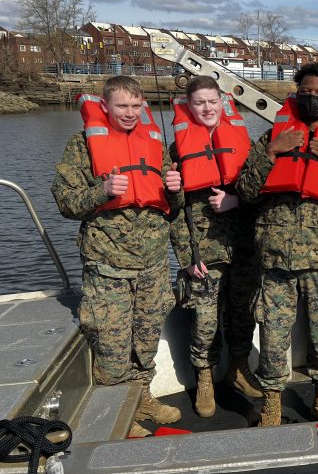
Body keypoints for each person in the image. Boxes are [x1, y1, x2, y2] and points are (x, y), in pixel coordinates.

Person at [51, 76, 185, 438]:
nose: (129, 113)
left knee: (146, 337)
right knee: (111, 341)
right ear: (106, 106)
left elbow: (173, 207)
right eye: (122, 106)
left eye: (136, 106)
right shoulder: (82, 145)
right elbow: (65, 202)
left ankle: (141, 397)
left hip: (153, 263)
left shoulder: (156, 145)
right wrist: (102, 190)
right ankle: (114, 415)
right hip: (107, 262)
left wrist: (176, 191)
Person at [236, 62, 318, 426]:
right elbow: (246, 190)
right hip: (275, 253)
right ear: (296, 95)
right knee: (273, 332)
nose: (312, 99)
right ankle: (272, 404)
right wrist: (271, 152)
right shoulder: (272, 138)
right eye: (305, 93)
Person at [168, 75, 262, 418]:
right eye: (199, 103)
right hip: (203, 250)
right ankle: (204, 375)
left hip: (241, 246)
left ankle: (239, 367)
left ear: (223, 101)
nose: (207, 108)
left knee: (242, 312)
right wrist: (186, 257)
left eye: (212, 101)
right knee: (205, 320)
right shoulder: (177, 148)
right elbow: (172, 211)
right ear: (189, 107)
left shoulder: (242, 140)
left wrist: (235, 201)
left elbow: (258, 191)